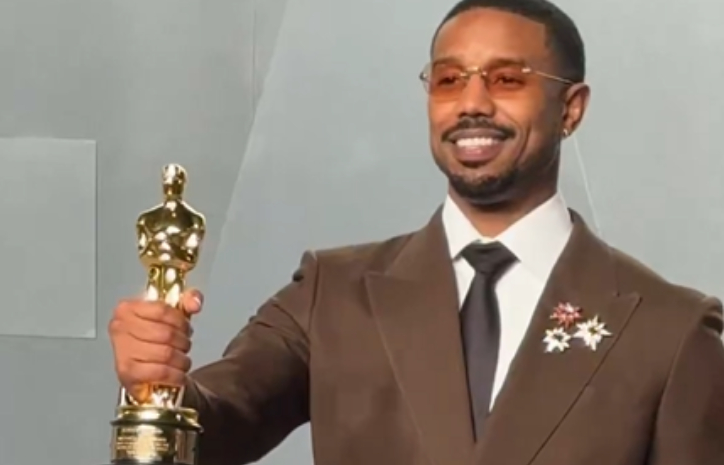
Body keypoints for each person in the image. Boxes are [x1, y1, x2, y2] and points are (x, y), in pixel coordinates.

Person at [108, 0, 724, 463]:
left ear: (572, 108)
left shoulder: (670, 331)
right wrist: (155, 389)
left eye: (507, 79)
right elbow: (215, 425)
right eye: (449, 79)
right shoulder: (331, 293)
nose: (472, 103)